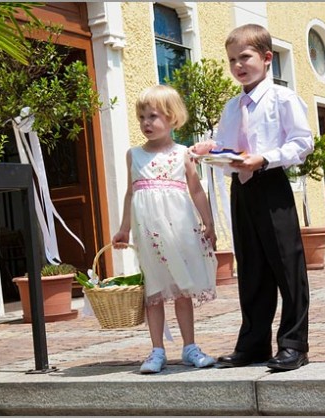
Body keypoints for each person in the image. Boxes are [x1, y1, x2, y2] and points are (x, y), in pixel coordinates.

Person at [191, 23, 313, 371]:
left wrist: (266, 158)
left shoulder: (282, 99)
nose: (238, 66)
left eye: (244, 57)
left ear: (267, 58)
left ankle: (293, 344)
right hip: (241, 189)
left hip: (271, 183)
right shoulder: (232, 107)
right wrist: (211, 148)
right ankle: (254, 344)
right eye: (232, 60)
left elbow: (302, 143)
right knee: (251, 268)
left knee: (287, 267)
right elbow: (229, 145)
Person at [112, 84, 218, 374]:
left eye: (154, 116)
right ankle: (157, 350)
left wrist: (208, 223)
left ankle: (189, 346)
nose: (147, 123)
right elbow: (131, 194)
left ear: (172, 118)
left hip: (180, 231)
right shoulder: (133, 154)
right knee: (154, 293)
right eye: (143, 117)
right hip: (149, 236)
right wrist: (123, 229)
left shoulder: (182, 153)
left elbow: (196, 191)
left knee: (182, 291)